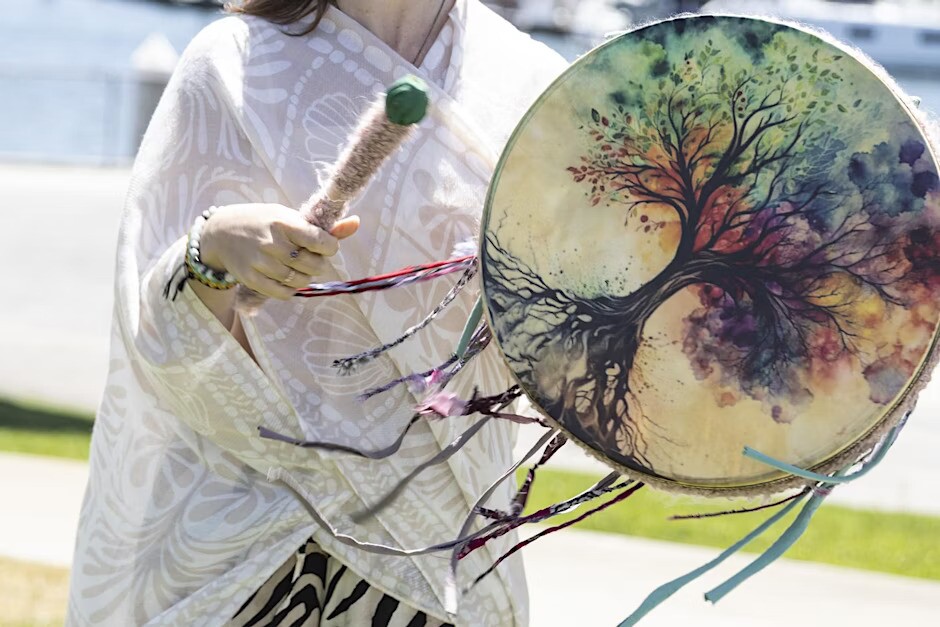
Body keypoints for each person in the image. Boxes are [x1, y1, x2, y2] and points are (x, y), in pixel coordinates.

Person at [66, 1, 566, 625]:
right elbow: (159, 337)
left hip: (443, 560)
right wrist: (216, 247)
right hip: (255, 555)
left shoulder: (536, 85)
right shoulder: (229, 63)